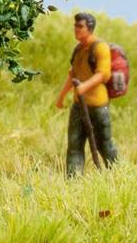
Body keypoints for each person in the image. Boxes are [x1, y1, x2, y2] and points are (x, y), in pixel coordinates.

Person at [50, 10, 118, 175]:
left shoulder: (100, 48)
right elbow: (72, 75)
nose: (76, 29)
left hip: (97, 106)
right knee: (74, 145)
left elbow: (103, 74)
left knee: (104, 144)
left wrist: (84, 87)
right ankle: (73, 180)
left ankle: (118, 174)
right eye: (75, 26)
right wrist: (61, 96)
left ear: (90, 28)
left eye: (80, 26)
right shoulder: (78, 50)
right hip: (78, 106)